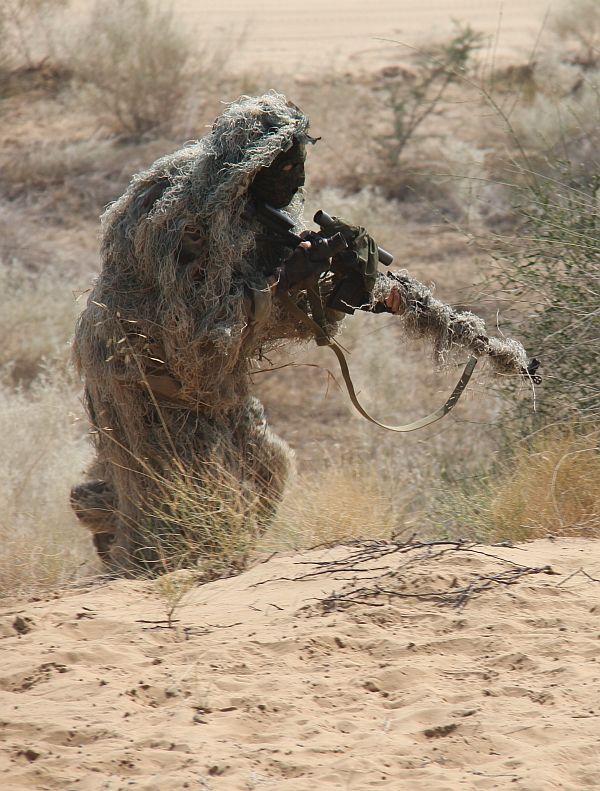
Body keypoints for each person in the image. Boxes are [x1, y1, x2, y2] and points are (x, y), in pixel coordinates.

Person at [71, 91, 536, 571]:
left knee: (262, 472)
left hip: (204, 386)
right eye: (282, 168)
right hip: (141, 375)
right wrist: (285, 282)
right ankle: (132, 584)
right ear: (247, 167)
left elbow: (269, 312)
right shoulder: (180, 218)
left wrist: (348, 290)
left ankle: (114, 504)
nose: (296, 179)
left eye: (299, 165)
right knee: (176, 535)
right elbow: (198, 344)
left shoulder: (253, 215)